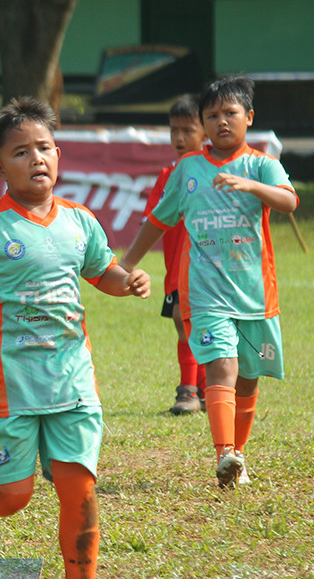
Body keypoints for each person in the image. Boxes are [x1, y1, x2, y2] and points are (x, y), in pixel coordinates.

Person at [0, 97, 150, 579]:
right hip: (8, 391)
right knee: (11, 497)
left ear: (58, 153)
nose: (37, 159)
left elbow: (105, 272)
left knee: (80, 488)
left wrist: (129, 282)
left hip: (73, 383)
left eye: (45, 148)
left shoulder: (80, 221)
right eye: (21, 152)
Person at [119, 76, 298, 488]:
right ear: (203, 123)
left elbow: (289, 201)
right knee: (222, 369)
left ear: (249, 118)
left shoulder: (262, 164)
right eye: (211, 115)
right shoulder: (188, 170)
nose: (221, 122)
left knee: (249, 379)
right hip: (206, 295)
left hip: (255, 296)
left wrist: (252, 186)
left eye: (230, 114)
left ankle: (239, 456)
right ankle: (225, 454)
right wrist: (127, 263)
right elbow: (158, 221)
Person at [142, 94, 208, 415]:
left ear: (205, 132)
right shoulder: (168, 175)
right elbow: (153, 218)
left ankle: (190, 391)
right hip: (175, 269)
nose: (179, 138)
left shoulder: (213, 173)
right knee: (187, 326)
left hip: (207, 268)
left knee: (193, 325)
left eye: (188, 130)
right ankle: (204, 388)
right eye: (174, 131)